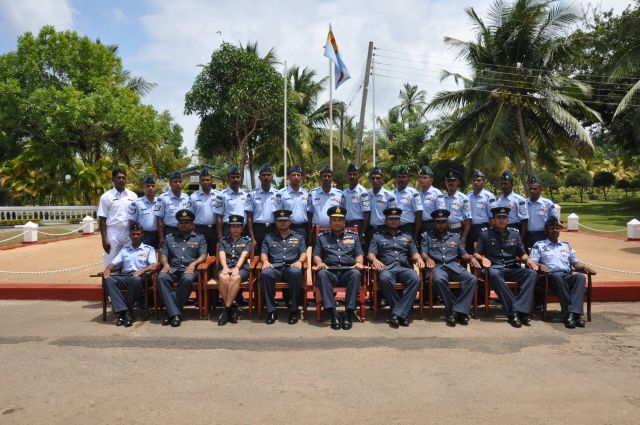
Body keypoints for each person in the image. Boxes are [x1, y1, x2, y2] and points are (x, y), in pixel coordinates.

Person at [473, 206, 539, 328]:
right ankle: (515, 312)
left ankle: (518, 308)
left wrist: (528, 260)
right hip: (494, 268)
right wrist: (483, 258)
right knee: (493, 273)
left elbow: (522, 253)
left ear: (508, 220)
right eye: (498, 217)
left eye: (504, 217)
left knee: (532, 273)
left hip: (511, 268)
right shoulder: (485, 234)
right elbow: (476, 253)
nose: (501, 220)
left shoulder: (515, 234)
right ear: (493, 220)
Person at [530, 216, 596, 328]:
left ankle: (572, 313)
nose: (555, 230)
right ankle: (571, 314)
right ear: (546, 231)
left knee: (580, 277)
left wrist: (585, 267)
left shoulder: (566, 245)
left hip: (566, 276)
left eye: (556, 228)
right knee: (557, 277)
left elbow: (575, 263)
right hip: (549, 277)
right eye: (551, 228)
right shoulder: (539, 245)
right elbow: (532, 261)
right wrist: (541, 265)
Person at [368, 207, 425, 328]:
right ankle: (402, 314)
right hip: (387, 268)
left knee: (415, 279)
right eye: (391, 219)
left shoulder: (407, 236)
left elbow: (414, 253)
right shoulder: (377, 236)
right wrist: (375, 260)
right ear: (385, 221)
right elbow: (370, 254)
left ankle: (396, 314)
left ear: (400, 221)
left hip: (404, 268)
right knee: (384, 278)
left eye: (396, 219)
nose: (393, 221)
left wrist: (419, 259)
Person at [421, 209, 479, 326]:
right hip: (436, 267)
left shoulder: (455, 237)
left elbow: (463, 254)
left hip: (453, 266)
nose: (441, 225)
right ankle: (459, 312)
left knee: (472, 279)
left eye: (443, 222)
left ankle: (455, 311)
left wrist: (471, 258)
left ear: (447, 223)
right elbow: (423, 253)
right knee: (439, 280)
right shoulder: (426, 236)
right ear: (434, 223)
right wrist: (427, 259)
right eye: (438, 222)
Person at [313, 206, 365, 330]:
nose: (337, 223)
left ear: (344, 222)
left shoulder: (354, 236)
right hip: (330, 272)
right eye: (334, 220)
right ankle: (333, 313)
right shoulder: (322, 237)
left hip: (348, 272)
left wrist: (358, 263)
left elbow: (359, 254)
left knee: (356, 273)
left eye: (340, 220)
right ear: (330, 222)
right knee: (321, 274)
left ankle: (348, 313)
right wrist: (319, 263)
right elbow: (316, 255)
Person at [157, 209, 207, 327]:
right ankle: (175, 313)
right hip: (173, 268)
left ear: (192, 225)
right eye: (181, 223)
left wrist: (194, 264)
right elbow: (164, 254)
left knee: (187, 279)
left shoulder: (199, 238)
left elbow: (203, 255)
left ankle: (170, 313)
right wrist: (165, 264)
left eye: (186, 223)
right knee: (161, 277)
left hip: (189, 269)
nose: (183, 225)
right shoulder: (170, 238)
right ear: (177, 225)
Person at [103, 222, 157, 327]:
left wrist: (143, 270)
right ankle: (126, 312)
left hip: (141, 277)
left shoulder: (148, 249)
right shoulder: (125, 250)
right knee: (108, 280)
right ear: (130, 235)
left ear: (142, 235)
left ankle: (123, 314)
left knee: (135, 280)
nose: (135, 236)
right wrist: (108, 269)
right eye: (133, 234)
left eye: (138, 234)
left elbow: (154, 265)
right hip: (125, 277)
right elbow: (113, 263)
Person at [260, 209, 307, 325]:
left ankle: (294, 310)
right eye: (280, 221)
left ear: (290, 222)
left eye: (285, 220)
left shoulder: (299, 237)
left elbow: (303, 253)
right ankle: (271, 311)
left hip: (291, 267)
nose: (282, 223)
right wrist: (265, 261)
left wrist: (300, 261)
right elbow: (264, 253)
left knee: (296, 273)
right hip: (275, 267)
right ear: (276, 222)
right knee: (265, 273)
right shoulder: (269, 237)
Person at [216, 214, 252, 326]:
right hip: (226, 266)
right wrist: (225, 267)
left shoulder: (247, 241)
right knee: (223, 277)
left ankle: (226, 310)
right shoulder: (223, 240)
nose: (235, 229)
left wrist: (237, 268)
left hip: (242, 268)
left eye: (237, 226)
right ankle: (231, 309)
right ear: (229, 228)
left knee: (235, 278)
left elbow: (244, 256)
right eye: (232, 226)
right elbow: (222, 255)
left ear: (242, 228)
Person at [98, 167, 138, 266]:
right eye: (118, 178)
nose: (121, 180)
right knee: (111, 261)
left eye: (123, 178)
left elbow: (136, 216)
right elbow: (102, 219)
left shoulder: (133, 196)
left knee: (129, 262)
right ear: (113, 179)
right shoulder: (106, 197)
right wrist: (104, 239)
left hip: (128, 232)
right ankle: (110, 276)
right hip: (113, 233)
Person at [246, 163, 282, 253]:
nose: (266, 177)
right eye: (263, 175)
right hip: (258, 229)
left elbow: (280, 215)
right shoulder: (252, 194)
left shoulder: (278, 194)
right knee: (257, 255)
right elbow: (249, 216)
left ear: (271, 177)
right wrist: (252, 237)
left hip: (273, 229)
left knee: (274, 254)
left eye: (268, 175)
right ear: (259, 177)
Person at [154, 171, 191, 248]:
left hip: (184, 231)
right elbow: (159, 219)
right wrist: (161, 238)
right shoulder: (163, 198)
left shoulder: (187, 198)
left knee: (184, 252)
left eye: (180, 181)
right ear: (170, 183)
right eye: (175, 182)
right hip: (170, 231)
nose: (178, 184)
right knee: (170, 253)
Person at [363, 166, 397, 251]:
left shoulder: (389, 195)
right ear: (370, 180)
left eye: (378, 178)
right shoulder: (366, 195)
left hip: (384, 230)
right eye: (373, 178)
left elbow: (392, 215)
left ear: (382, 179)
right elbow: (366, 214)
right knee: (369, 253)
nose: (375, 180)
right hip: (370, 230)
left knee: (384, 254)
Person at [307, 165, 343, 241]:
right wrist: (309, 233)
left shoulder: (339, 194)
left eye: (329, 176)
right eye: (324, 176)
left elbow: (343, 214)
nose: (327, 178)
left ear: (332, 178)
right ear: (320, 178)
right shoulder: (313, 193)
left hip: (334, 230)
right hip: (317, 230)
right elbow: (309, 214)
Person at [189, 167, 219, 256]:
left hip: (214, 230)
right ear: (200, 181)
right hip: (199, 230)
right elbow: (190, 215)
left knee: (214, 255)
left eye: (208, 180)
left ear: (212, 181)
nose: (205, 182)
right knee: (199, 255)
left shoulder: (218, 195)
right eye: (203, 180)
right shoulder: (193, 197)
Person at [466, 169, 497, 254]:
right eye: (474, 180)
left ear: (484, 182)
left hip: (482, 228)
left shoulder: (489, 196)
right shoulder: (468, 196)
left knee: (481, 253)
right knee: (469, 253)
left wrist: (492, 233)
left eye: (478, 180)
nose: (476, 182)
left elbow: (492, 218)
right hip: (469, 229)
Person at [213, 165, 248, 239]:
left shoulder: (246, 195)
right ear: (228, 179)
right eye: (233, 177)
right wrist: (220, 235)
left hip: (243, 229)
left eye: (237, 177)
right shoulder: (221, 195)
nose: (235, 179)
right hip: (228, 229)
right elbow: (218, 216)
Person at [525, 175, 559, 250]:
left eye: (535, 189)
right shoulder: (524, 203)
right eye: (530, 189)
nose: (532, 191)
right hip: (527, 236)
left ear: (541, 189)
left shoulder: (548, 203)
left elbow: (554, 220)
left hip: (542, 236)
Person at [127, 174, 159, 249]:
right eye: (148, 186)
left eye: (153, 186)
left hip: (157, 235)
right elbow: (131, 222)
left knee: (156, 255)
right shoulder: (136, 203)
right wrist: (135, 237)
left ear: (156, 187)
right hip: (143, 236)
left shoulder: (160, 202)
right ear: (143, 187)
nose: (150, 188)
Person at [443, 169, 472, 249]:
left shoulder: (463, 198)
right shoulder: (442, 198)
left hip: (458, 231)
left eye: (453, 180)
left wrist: (463, 238)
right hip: (444, 231)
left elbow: (468, 220)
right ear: (445, 182)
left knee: (457, 252)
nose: (450, 183)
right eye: (448, 180)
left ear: (458, 182)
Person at [280, 164, 310, 242]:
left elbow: (309, 213)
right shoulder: (281, 193)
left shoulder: (306, 193)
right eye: (293, 175)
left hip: (303, 228)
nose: (296, 177)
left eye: (298, 175)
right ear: (288, 177)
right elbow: (278, 213)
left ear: (301, 178)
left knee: (303, 249)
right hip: (287, 228)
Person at [392, 165, 423, 241]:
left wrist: (415, 234)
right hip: (393, 228)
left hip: (407, 228)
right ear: (396, 178)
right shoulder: (391, 194)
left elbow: (419, 214)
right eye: (399, 177)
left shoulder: (413, 193)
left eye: (404, 177)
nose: (401, 179)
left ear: (408, 179)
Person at [341, 163, 370, 238]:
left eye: (354, 174)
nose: (352, 176)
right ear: (347, 176)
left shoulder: (362, 192)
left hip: (358, 225)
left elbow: (366, 214)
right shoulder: (344, 193)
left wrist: (363, 233)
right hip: (346, 225)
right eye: (350, 174)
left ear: (358, 176)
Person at [497, 170, 528, 236]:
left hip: (514, 229)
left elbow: (524, 221)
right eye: (502, 184)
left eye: (506, 184)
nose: (503, 186)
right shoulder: (499, 200)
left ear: (512, 184)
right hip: (501, 230)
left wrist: (521, 238)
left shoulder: (519, 200)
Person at [418, 165, 445, 236]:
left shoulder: (437, 193)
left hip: (431, 225)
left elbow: (440, 213)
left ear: (431, 180)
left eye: (425, 178)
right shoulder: (418, 194)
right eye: (420, 177)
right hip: (418, 225)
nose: (421, 180)